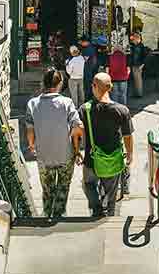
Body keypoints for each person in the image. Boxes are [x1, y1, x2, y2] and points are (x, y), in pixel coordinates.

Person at [26, 69, 84, 220]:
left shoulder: (32, 103)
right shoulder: (67, 103)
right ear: (60, 84)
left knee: (47, 189)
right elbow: (78, 127)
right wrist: (77, 150)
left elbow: (30, 129)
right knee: (63, 187)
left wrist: (32, 146)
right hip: (65, 154)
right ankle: (59, 215)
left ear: (43, 83)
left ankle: (47, 213)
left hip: (44, 155)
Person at [81, 73, 134, 218]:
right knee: (111, 192)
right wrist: (130, 154)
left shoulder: (84, 109)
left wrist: (76, 151)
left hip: (91, 159)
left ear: (94, 86)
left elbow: (78, 133)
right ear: (110, 88)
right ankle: (110, 215)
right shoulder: (122, 110)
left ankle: (96, 209)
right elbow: (128, 136)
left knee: (88, 185)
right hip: (113, 158)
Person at [80, 36, 98, 102]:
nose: (81, 43)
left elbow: (85, 59)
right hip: (91, 69)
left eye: (82, 42)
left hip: (88, 69)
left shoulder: (88, 48)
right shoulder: (91, 47)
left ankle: (88, 99)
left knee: (87, 85)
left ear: (85, 42)